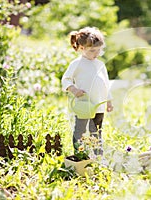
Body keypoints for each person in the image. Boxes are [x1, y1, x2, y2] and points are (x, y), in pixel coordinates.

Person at [62, 27, 113, 155]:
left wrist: (109, 101)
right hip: (84, 105)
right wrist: (73, 89)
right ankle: (80, 153)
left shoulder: (100, 64)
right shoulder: (77, 64)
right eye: (92, 50)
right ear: (82, 48)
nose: (96, 53)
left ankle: (98, 156)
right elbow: (66, 79)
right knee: (80, 130)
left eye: (99, 50)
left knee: (96, 131)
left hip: (98, 106)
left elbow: (106, 84)